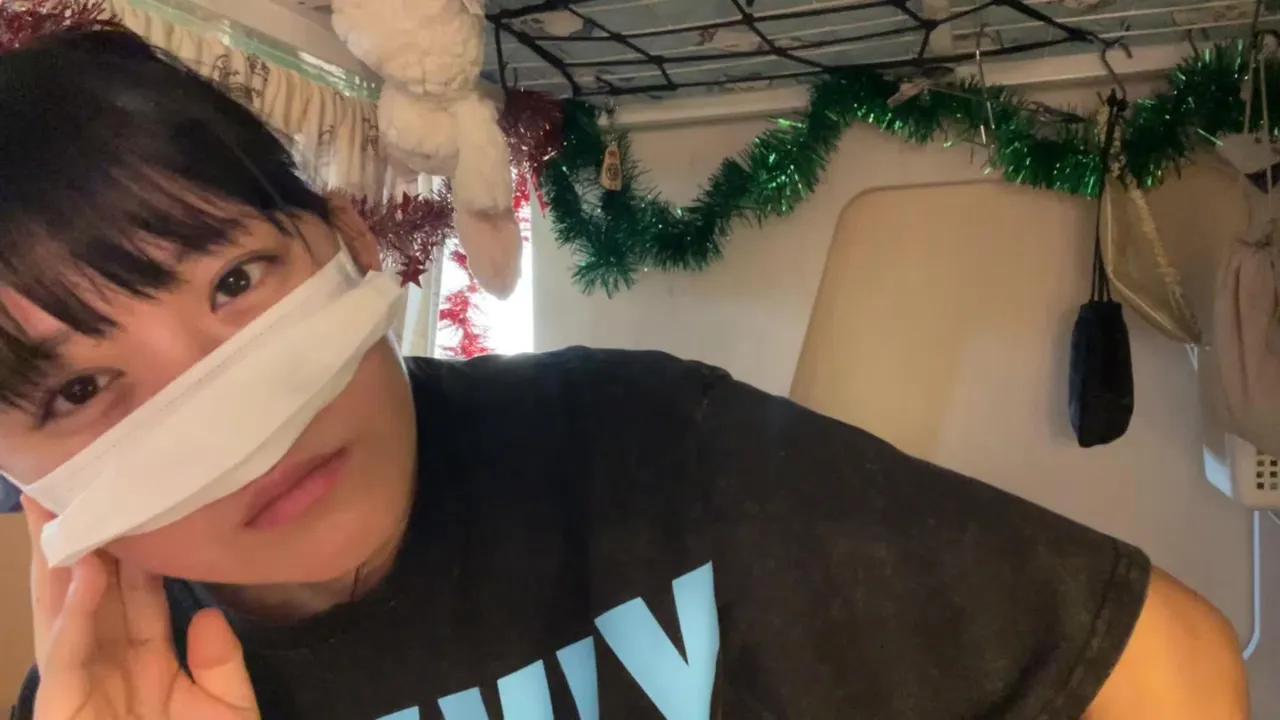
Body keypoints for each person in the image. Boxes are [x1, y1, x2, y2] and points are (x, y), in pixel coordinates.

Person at [1, 24, 1248, 720]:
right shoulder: (113, 697)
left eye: (235, 282)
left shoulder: (644, 444)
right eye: (78, 390)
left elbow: (1162, 664)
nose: (245, 431)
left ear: (354, 241)